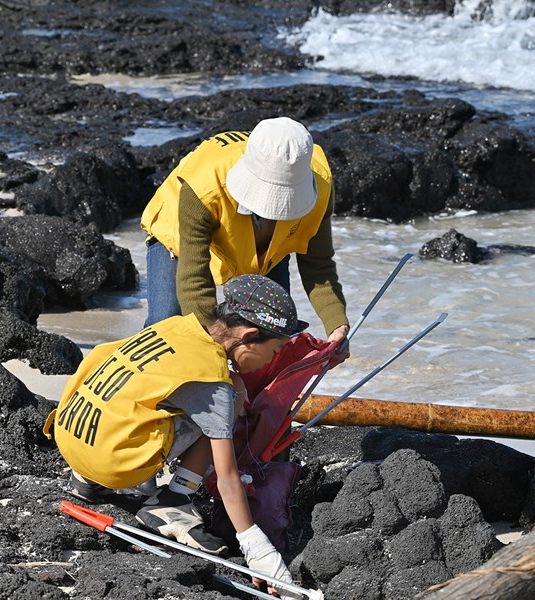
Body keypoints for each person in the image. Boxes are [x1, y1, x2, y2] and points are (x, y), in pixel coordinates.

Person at [43, 274, 306, 594]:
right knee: (229, 398)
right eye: (275, 349)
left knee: (209, 390)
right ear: (249, 336)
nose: (273, 359)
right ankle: (173, 499)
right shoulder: (213, 381)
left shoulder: (179, 327)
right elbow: (227, 477)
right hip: (113, 463)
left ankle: (85, 479)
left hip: (72, 433)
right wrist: (257, 549)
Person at [140, 116, 350, 362]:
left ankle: (248, 398)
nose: (275, 210)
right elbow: (194, 276)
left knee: (273, 334)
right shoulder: (204, 186)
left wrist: (337, 324)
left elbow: (318, 266)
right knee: (168, 328)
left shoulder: (319, 185)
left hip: (266, 253)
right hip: (177, 237)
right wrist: (211, 345)